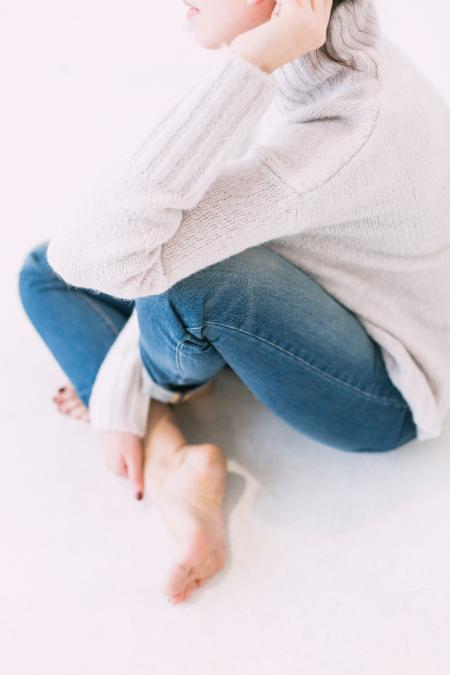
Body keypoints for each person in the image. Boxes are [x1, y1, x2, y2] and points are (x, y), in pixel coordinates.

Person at [17, 0, 450, 605]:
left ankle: (164, 424)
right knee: (46, 270)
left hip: (380, 392)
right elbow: (88, 255)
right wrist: (256, 57)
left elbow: (108, 254)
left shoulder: (336, 131)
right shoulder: (318, 61)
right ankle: (171, 459)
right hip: (307, 288)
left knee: (185, 284)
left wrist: (118, 392)